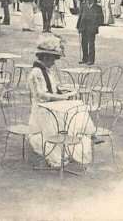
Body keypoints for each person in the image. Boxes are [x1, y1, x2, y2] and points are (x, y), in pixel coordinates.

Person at [27, 35, 93, 167]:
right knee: (74, 109)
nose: (53, 62)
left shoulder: (46, 71)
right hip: (43, 109)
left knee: (78, 105)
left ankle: (85, 133)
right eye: (52, 59)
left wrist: (63, 92)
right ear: (45, 57)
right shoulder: (36, 72)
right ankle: (80, 136)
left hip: (51, 105)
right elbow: (40, 95)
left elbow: (51, 89)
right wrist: (61, 97)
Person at [76, 0, 104, 65]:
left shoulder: (98, 7)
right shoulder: (84, 6)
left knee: (91, 44)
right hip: (84, 28)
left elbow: (101, 19)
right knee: (84, 44)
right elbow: (80, 17)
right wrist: (78, 27)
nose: (88, 1)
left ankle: (91, 60)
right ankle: (84, 59)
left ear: (93, 0)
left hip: (92, 29)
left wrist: (96, 26)